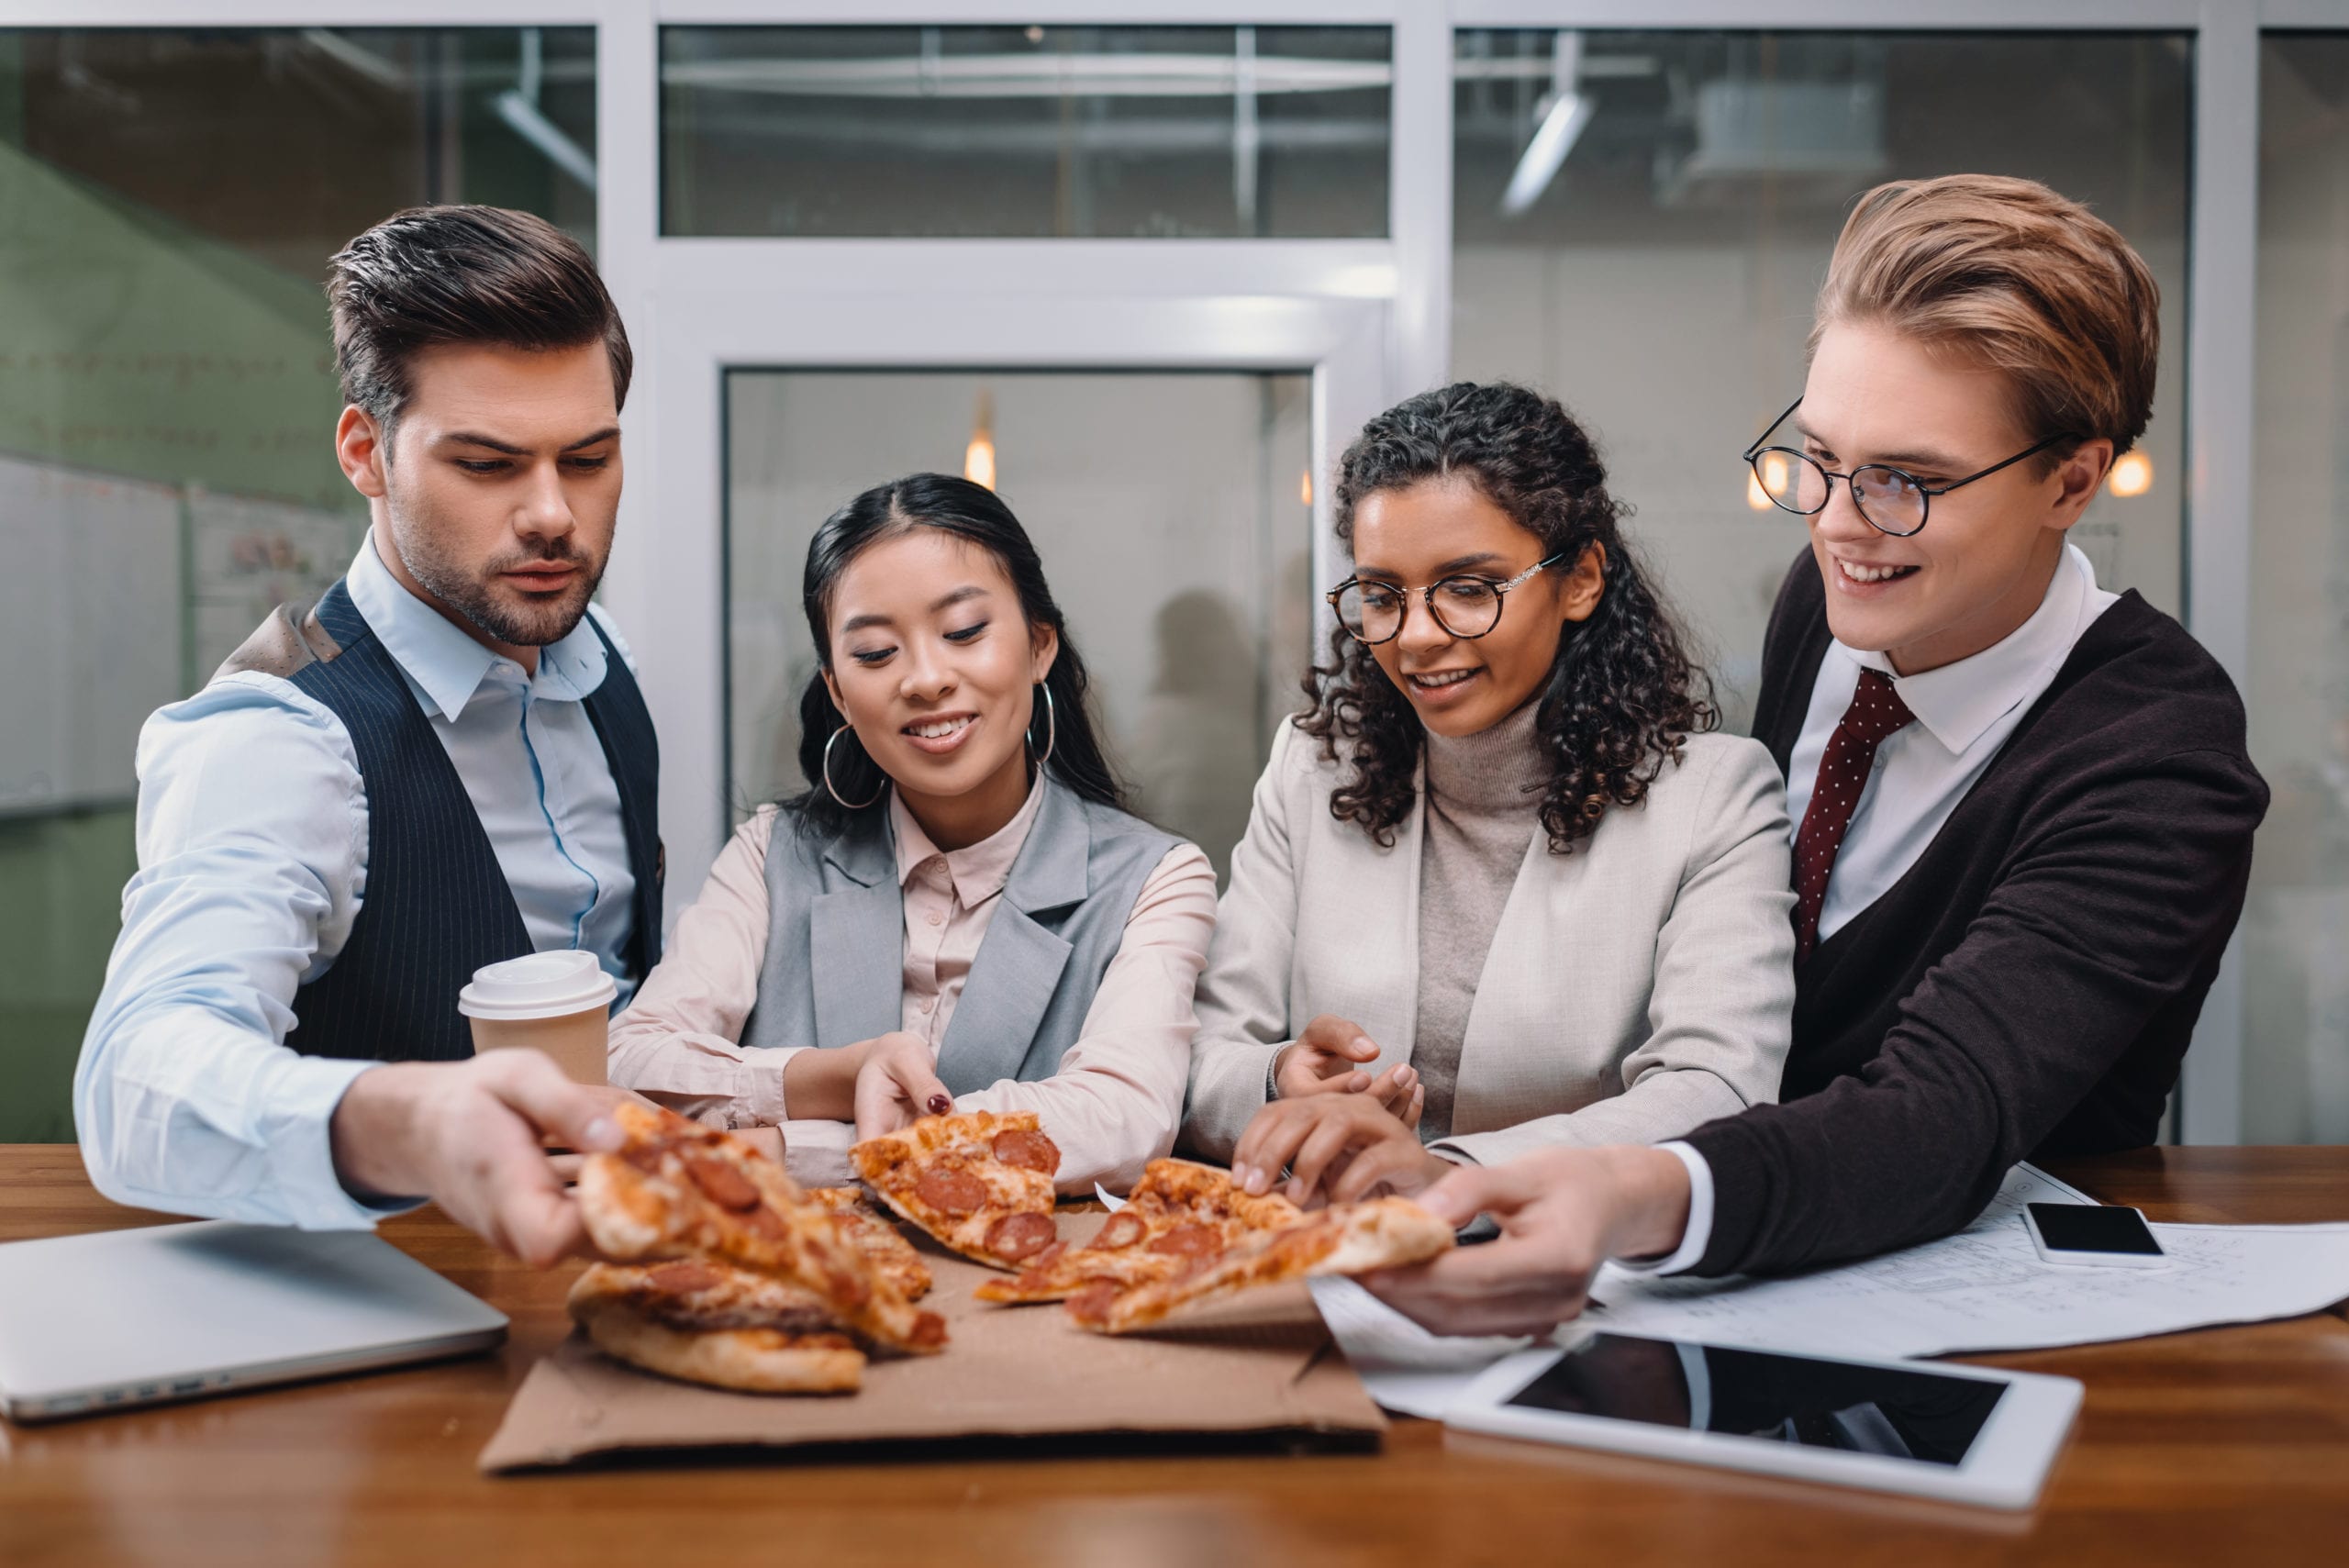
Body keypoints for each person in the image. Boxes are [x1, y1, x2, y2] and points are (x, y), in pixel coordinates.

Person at [1362, 174, 2269, 1336]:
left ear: (2072, 478)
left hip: (2002, 1306)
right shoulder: (1838, 592)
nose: (1838, 521)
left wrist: (1642, 1190)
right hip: (1739, 1263)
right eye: (1818, 455)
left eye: (1908, 480)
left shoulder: (2158, 754)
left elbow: (1940, 1111)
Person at [75, 206, 660, 1262]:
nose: (552, 516)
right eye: (487, 463)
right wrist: (415, 1123)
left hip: (618, 1284)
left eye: (586, 459)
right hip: (403, 1321)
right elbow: (136, 1078)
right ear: (366, 452)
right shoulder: (278, 732)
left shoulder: (599, 658)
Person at [1183, 384, 1797, 1205]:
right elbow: (1202, 1051)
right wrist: (1278, 1077)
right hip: (1328, 1254)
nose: (1418, 635)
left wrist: (1456, 1175)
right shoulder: (1313, 767)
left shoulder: (1715, 796)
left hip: (1575, 1275)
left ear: (1580, 580)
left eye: (1468, 588)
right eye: (1382, 595)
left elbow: (1718, 1090)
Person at [607, 475, 1218, 1195]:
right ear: (837, 690)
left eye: (964, 632)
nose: (926, 679)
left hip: (1032, 1294)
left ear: (1040, 645)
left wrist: (782, 1153)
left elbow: (1120, 1119)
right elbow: (629, 1063)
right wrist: (837, 1075)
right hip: (796, 1287)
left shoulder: (1157, 876)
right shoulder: (773, 851)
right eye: (874, 653)